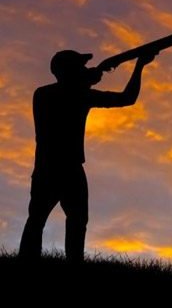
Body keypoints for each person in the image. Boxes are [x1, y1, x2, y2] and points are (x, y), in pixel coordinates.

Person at [19, 49, 156, 262]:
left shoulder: (47, 93)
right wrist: (140, 66)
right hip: (64, 168)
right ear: (69, 71)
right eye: (80, 67)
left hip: (50, 167)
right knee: (56, 220)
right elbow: (127, 98)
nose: (85, 69)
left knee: (53, 220)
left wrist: (90, 79)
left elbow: (123, 99)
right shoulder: (57, 94)